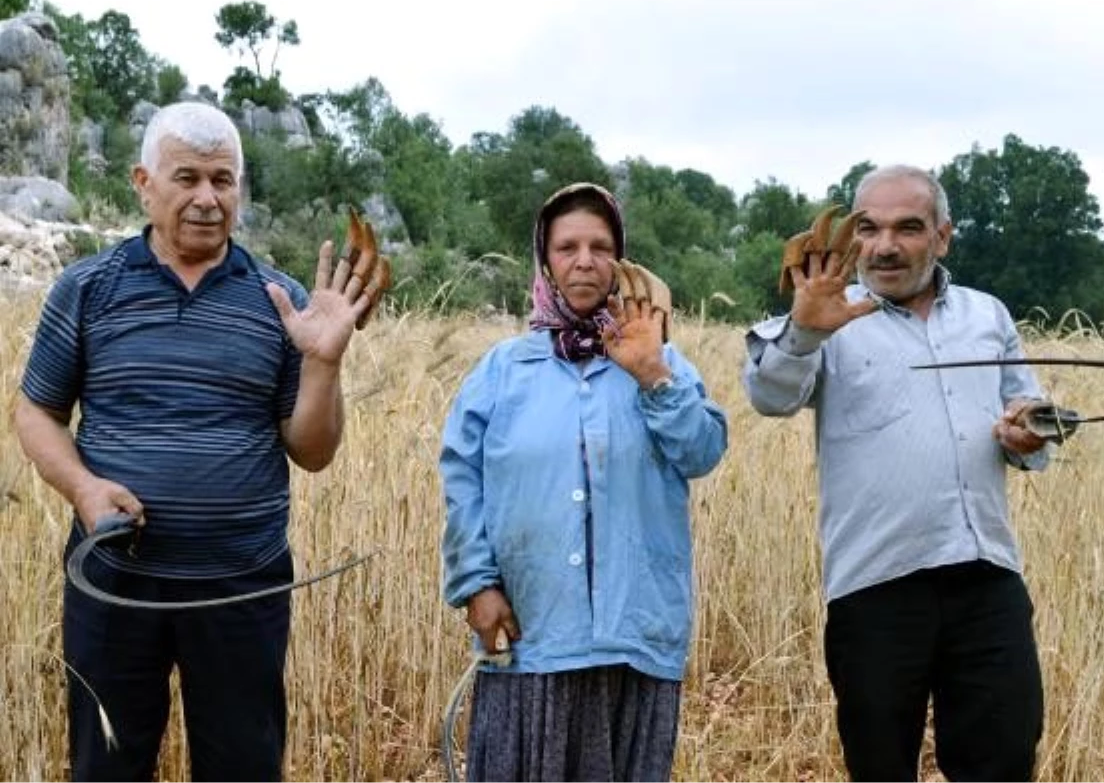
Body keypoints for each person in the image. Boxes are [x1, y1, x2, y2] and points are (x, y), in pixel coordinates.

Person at [14, 101, 386, 781]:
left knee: (243, 767)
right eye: (187, 178)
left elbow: (313, 451)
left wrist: (325, 362)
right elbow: (36, 414)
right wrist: (85, 487)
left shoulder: (280, 299)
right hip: (114, 585)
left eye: (223, 180)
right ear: (143, 183)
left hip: (242, 589)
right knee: (105, 769)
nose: (208, 199)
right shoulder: (88, 289)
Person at [742, 165, 1050, 782]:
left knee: (1005, 756)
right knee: (881, 765)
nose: (884, 246)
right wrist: (804, 330)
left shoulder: (987, 316)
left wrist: (1033, 432)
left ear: (942, 237)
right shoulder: (830, 315)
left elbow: (1033, 421)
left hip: (986, 577)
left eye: (908, 228)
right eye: (869, 228)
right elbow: (769, 396)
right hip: (877, 587)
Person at [439, 182, 728, 781]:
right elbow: (462, 478)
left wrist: (651, 374)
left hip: (635, 629)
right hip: (531, 627)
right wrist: (476, 583)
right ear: (545, 259)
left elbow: (702, 452)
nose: (585, 259)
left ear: (620, 260)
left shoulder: (664, 363)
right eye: (567, 246)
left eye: (601, 246)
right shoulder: (504, 370)